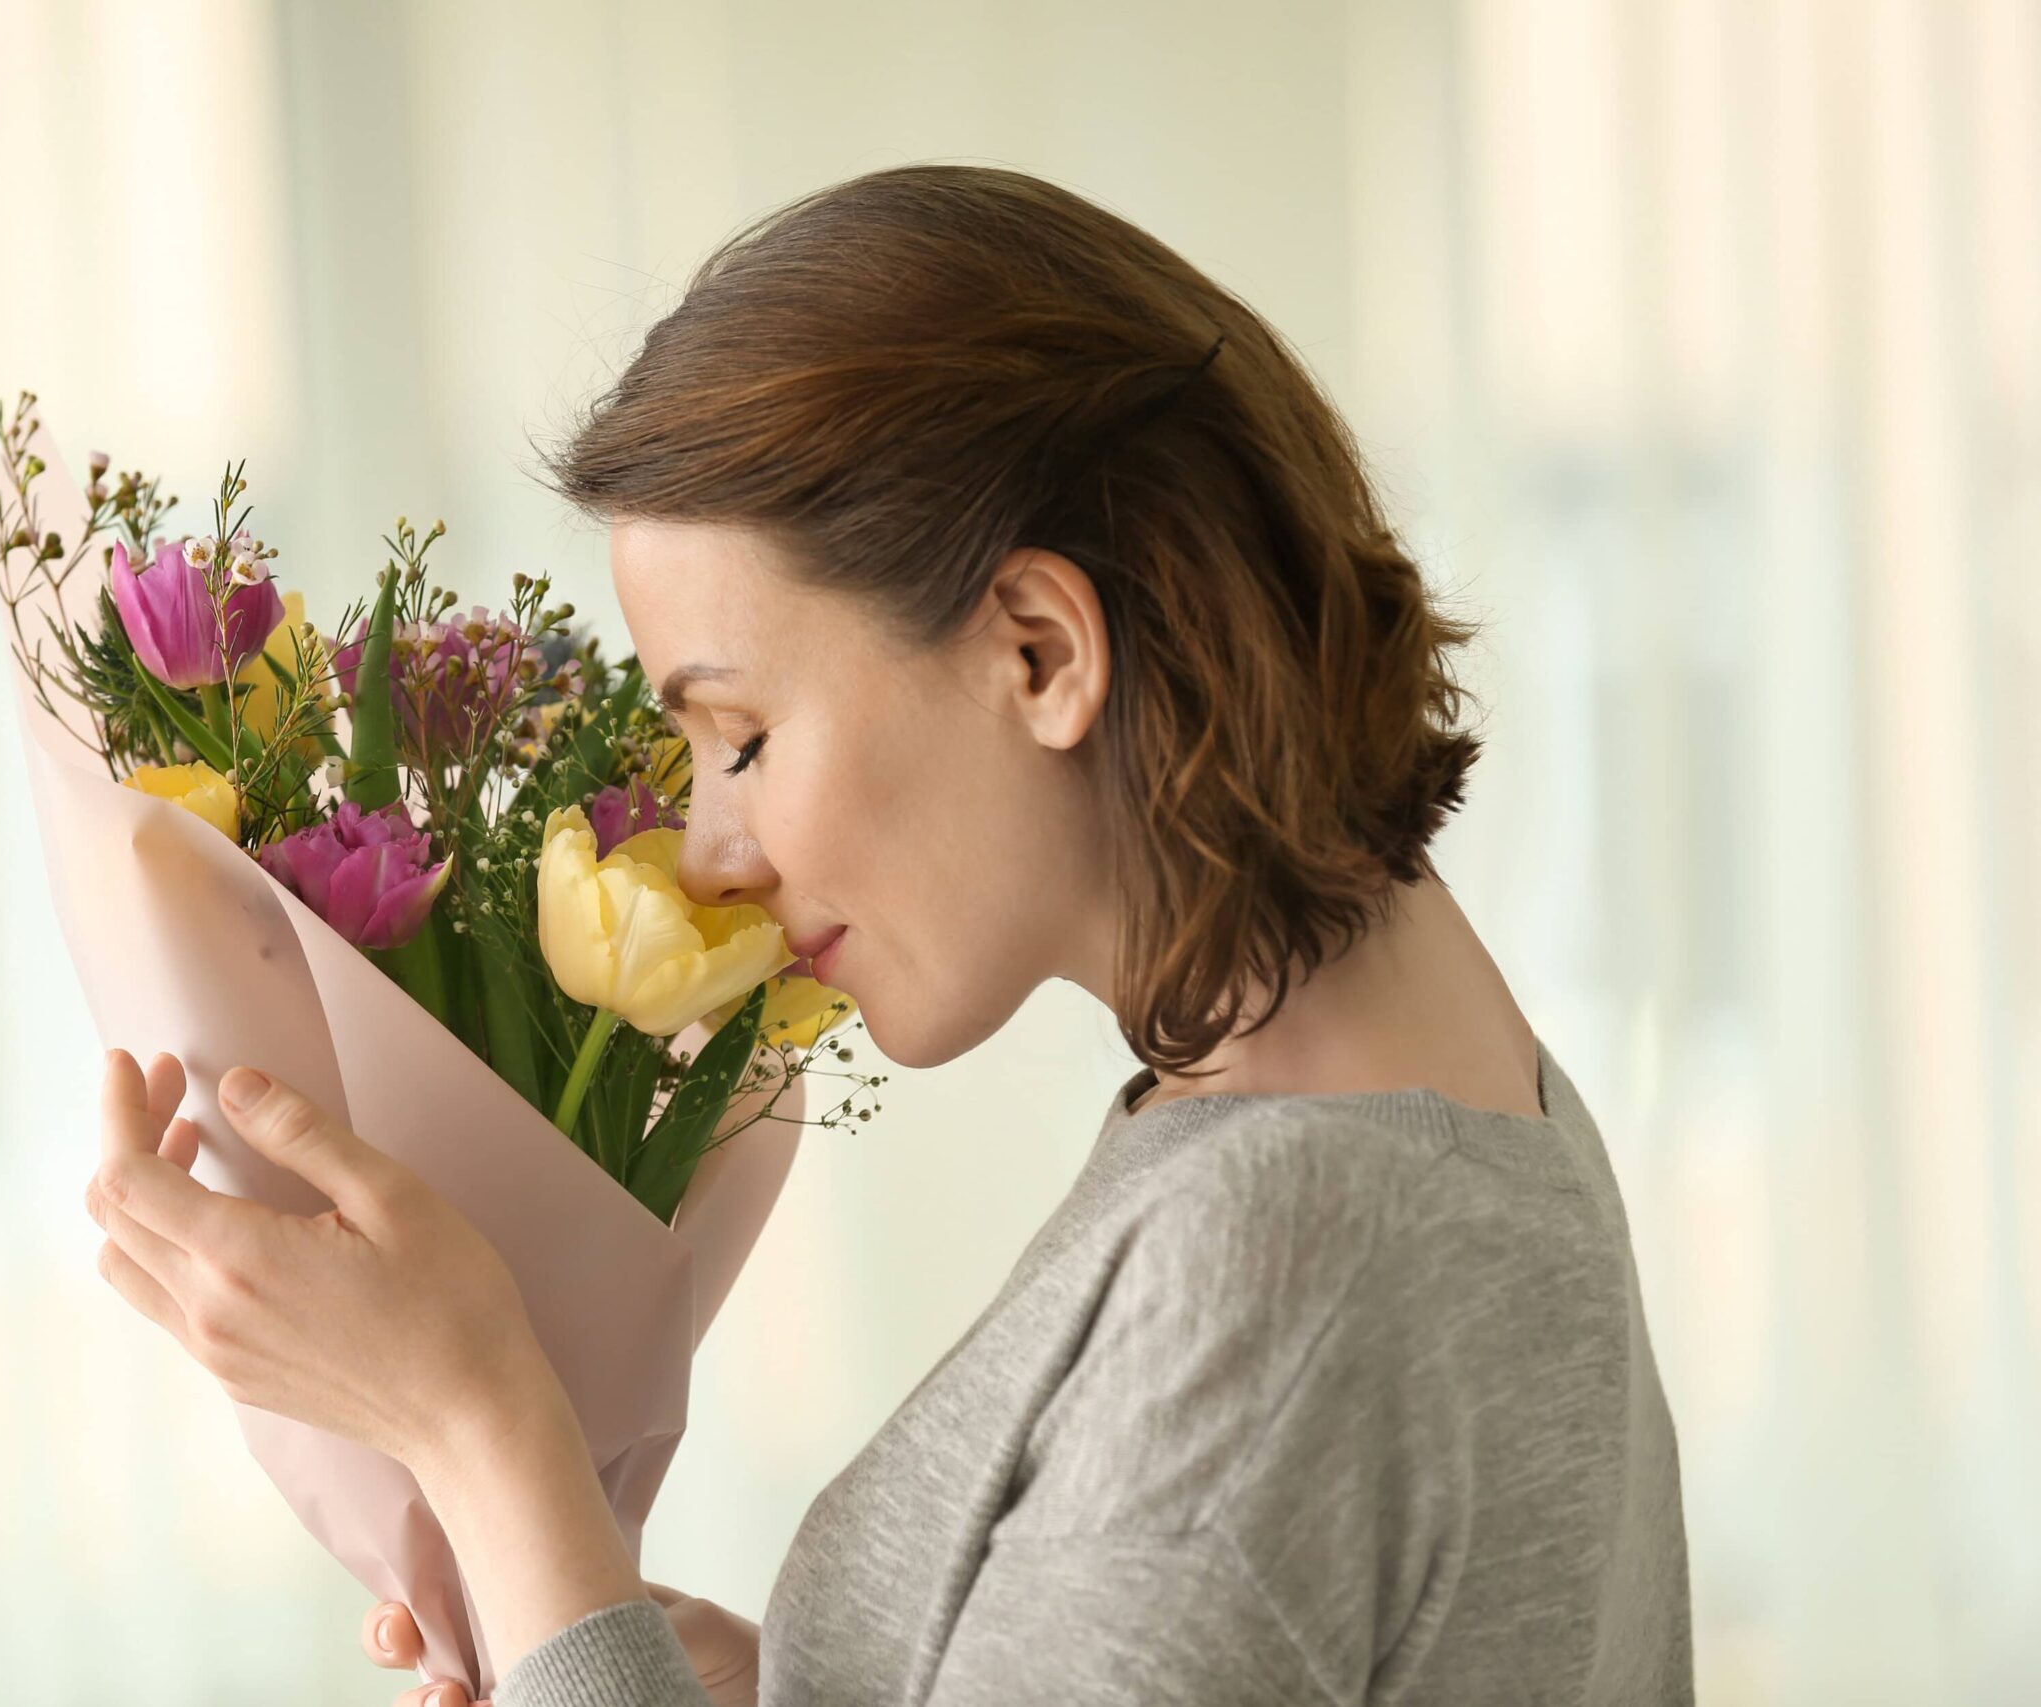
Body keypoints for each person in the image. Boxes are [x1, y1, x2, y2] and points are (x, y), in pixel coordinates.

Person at [87, 163, 1693, 1706]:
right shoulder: (1459, 1114)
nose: (713, 850)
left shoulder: (1279, 1262)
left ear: (1042, 650)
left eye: (745, 734)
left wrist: (481, 1428)